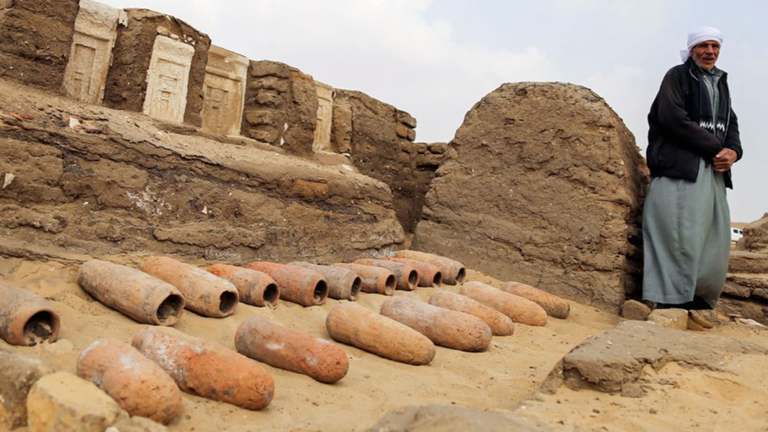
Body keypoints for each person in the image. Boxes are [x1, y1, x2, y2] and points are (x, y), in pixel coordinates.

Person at [642, 26, 743, 326]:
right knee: (678, 234)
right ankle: (672, 302)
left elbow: (731, 123)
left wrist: (734, 152)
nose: (709, 51)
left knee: (715, 237)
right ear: (692, 49)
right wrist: (716, 148)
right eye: (703, 46)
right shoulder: (677, 76)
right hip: (681, 169)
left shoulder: (721, 83)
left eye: (715, 46)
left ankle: (699, 301)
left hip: (713, 173)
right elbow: (673, 118)